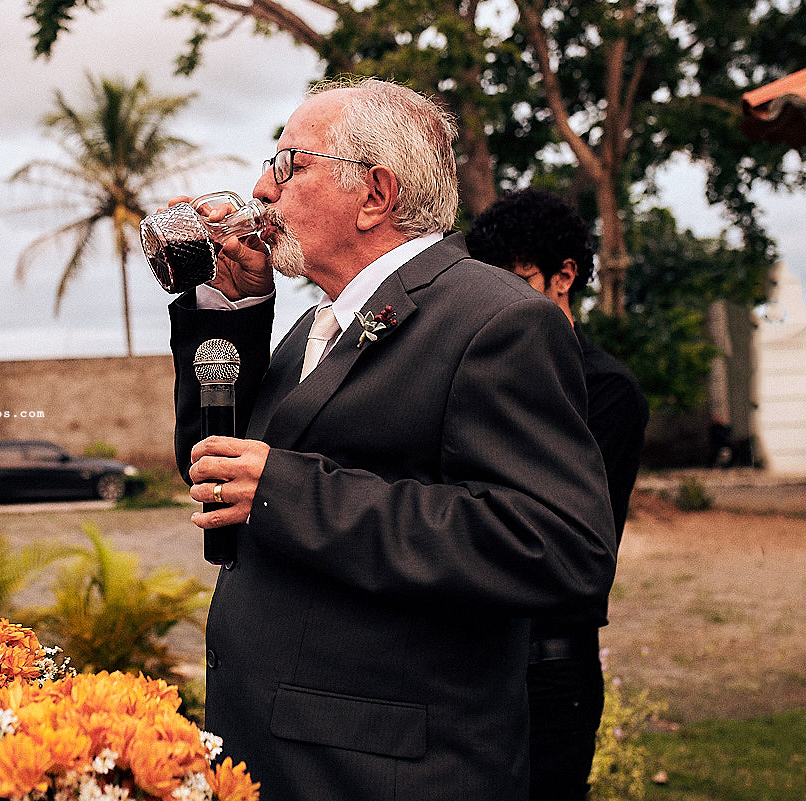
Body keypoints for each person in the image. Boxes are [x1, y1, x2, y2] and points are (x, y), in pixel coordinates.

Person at [167, 77, 617, 801]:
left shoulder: (494, 320)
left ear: (375, 194)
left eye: (289, 164)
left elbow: (560, 545)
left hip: (386, 771)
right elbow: (215, 467)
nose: (261, 187)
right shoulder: (320, 323)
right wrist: (236, 306)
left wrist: (286, 492)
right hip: (271, 756)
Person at [466, 187, 650, 801]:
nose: (497, 307)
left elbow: (564, 543)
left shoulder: (608, 392)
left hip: (551, 669)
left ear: (563, 275)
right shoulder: (482, 375)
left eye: (515, 283)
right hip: (471, 661)